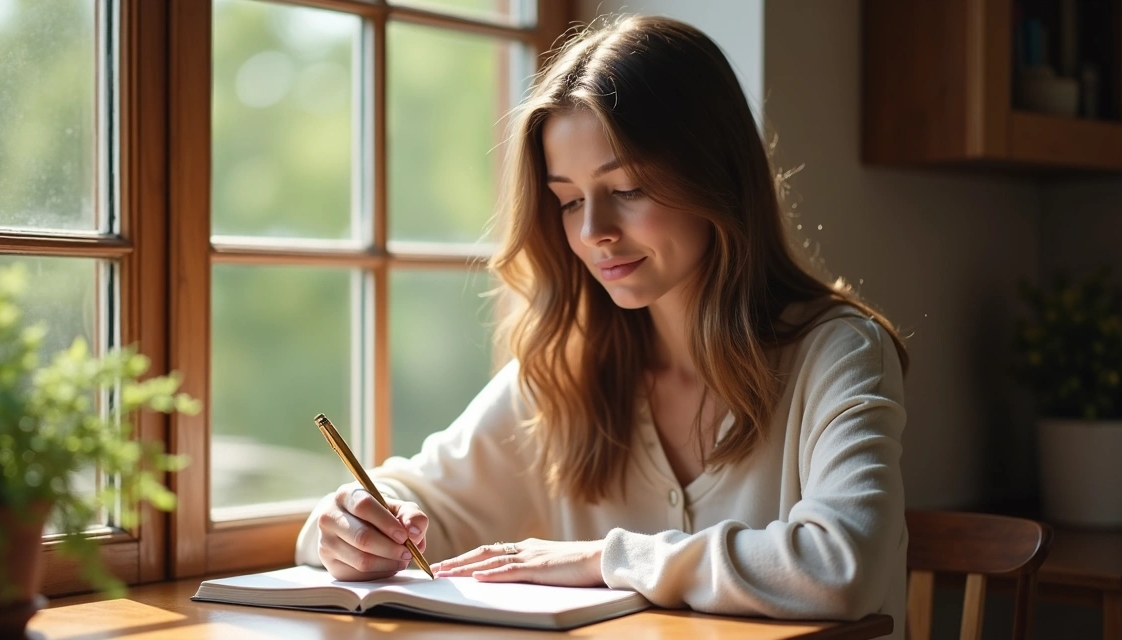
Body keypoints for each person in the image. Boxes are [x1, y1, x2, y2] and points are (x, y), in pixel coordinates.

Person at [296, 13, 909, 635]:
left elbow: (841, 567)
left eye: (629, 189)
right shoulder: (564, 372)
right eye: (568, 201)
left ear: (715, 173)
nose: (593, 232)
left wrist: (600, 561)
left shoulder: (838, 352)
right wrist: (352, 525)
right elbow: (418, 501)